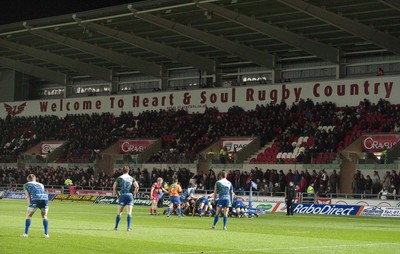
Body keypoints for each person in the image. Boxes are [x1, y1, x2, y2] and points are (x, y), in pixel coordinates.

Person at [113, 166, 139, 231]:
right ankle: (128, 228)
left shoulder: (119, 178)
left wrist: (117, 195)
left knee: (119, 213)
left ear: (122, 171)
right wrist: (134, 194)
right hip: (129, 195)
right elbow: (137, 187)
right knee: (129, 213)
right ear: (128, 171)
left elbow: (114, 187)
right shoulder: (131, 178)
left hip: (122, 195)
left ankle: (116, 227)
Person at [22, 174, 49, 238]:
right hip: (44, 198)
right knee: (44, 216)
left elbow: (27, 196)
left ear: (28, 179)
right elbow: (42, 192)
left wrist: (29, 204)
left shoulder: (26, 184)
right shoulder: (41, 184)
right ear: (35, 179)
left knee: (29, 215)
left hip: (35, 198)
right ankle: (46, 234)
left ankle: (25, 234)